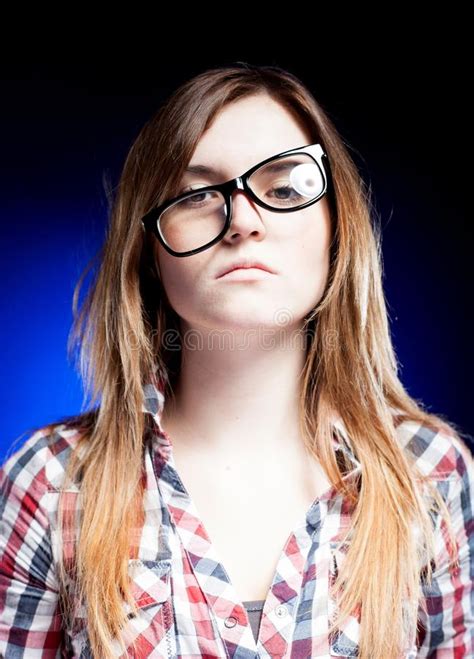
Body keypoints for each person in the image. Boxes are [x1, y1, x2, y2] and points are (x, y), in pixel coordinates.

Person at [0, 63, 472, 659]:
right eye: (197, 195)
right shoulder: (51, 484)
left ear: (336, 228)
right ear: (150, 252)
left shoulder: (431, 477)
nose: (244, 221)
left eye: (284, 187)